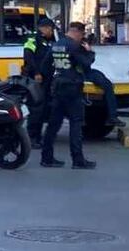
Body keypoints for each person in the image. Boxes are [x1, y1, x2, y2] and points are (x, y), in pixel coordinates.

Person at [40, 21, 97, 169]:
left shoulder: (56, 44)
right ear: (78, 32)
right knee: (76, 123)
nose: (82, 38)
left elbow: (45, 65)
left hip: (58, 86)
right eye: (82, 34)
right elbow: (86, 63)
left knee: (54, 124)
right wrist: (90, 51)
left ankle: (47, 158)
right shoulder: (75, 46)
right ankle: (78, 160)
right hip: (73, 87)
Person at [22, 17, 56, 147]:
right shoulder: (32, 38)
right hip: (35, 79)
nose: (52, 32)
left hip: (48, 79)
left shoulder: (51, 40)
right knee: (36, 108)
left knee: (44, 108)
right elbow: (28, 55)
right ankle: (31, 136)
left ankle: (38, 135)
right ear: (44, 28)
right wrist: (36, 72)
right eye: (51, 29)